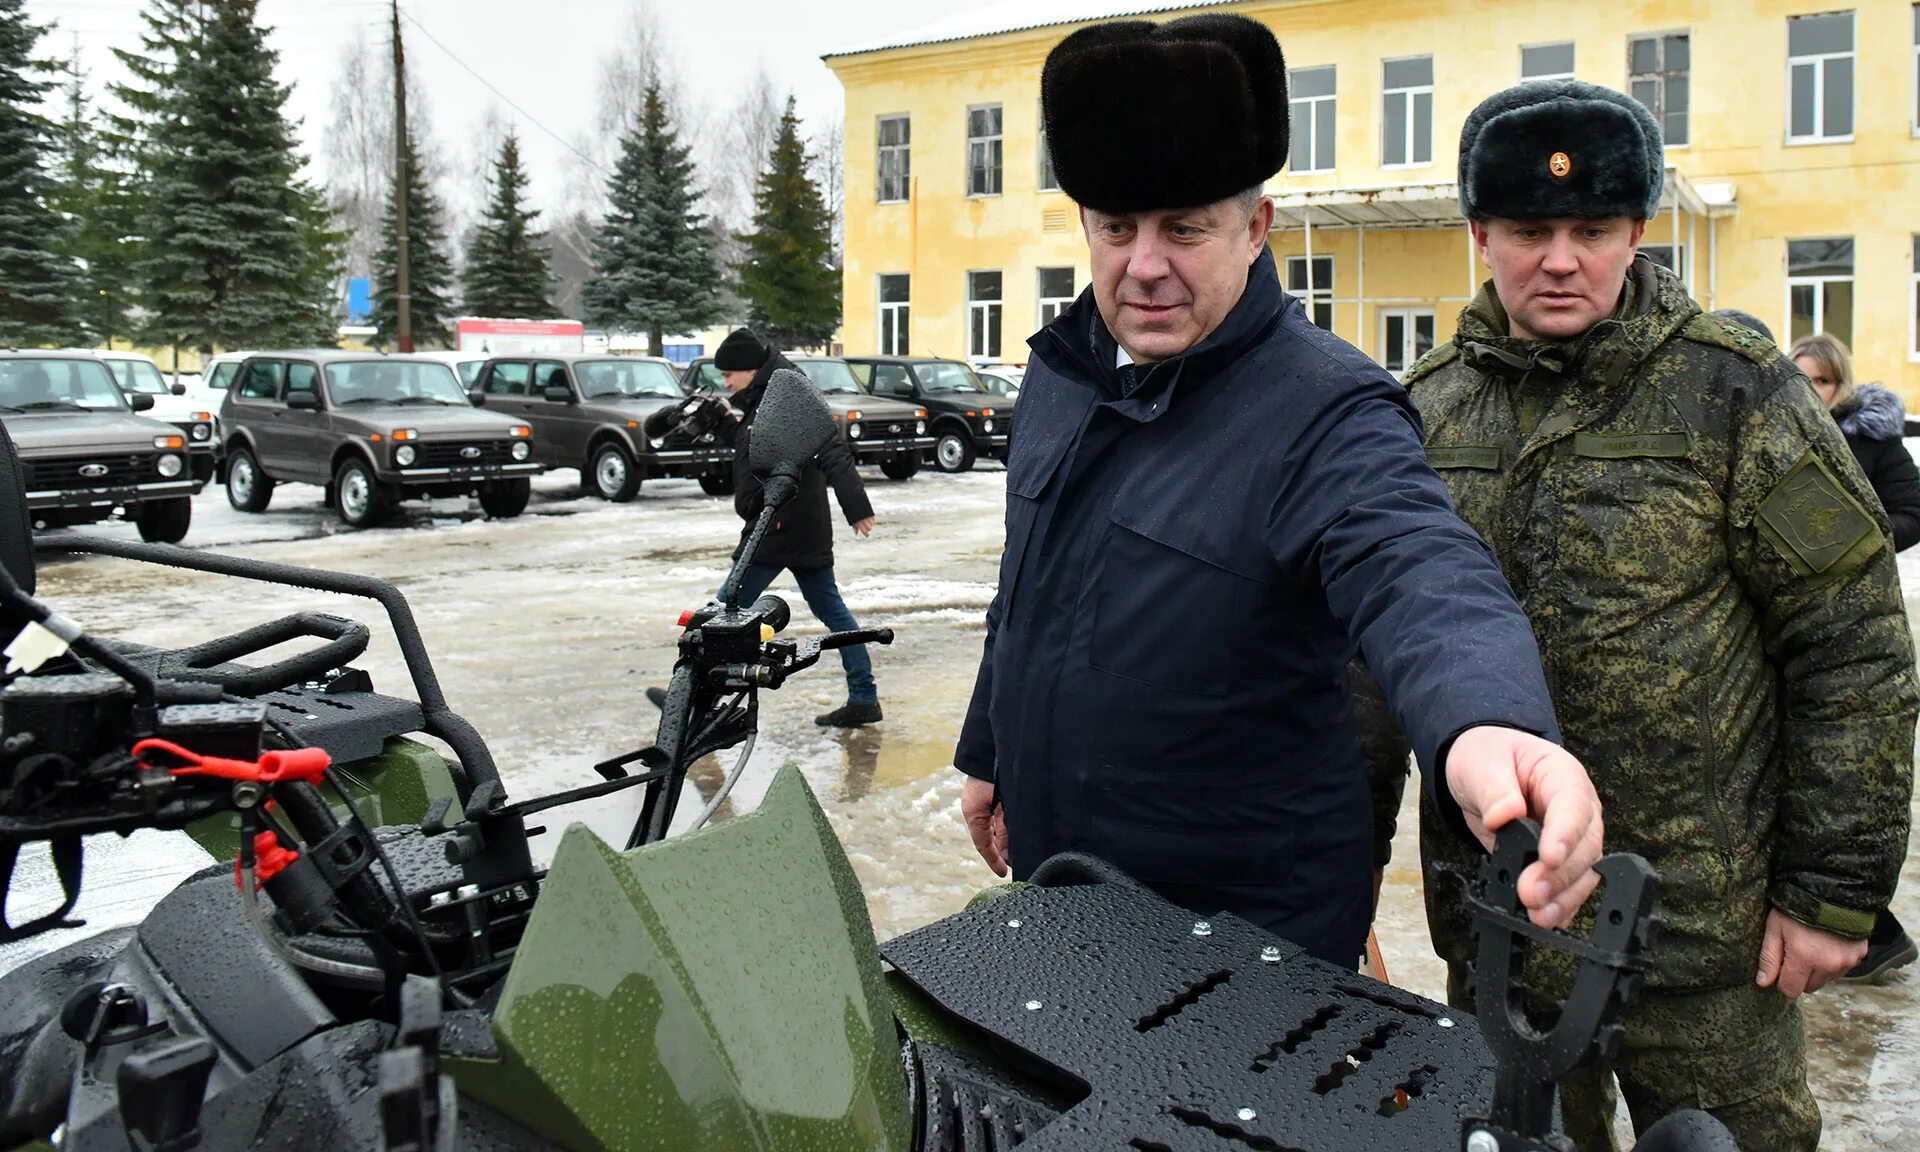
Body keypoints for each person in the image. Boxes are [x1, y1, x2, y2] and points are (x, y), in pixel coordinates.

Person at [952, 13, 1607, 976]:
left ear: (1256, 228)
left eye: (1185, 228)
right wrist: (989, 746)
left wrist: (1487, 723)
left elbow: (1417, 569)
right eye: (1116, 227)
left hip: (1245, 939)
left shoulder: (1323, 407)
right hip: (1067, 896)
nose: (1144, 265)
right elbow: (1031, 587)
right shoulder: (1063, 374)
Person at [1372, 79, 1917, 1151]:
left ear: (1639, 231)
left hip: (1703, 946)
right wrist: (1340, 887)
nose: (1561, 258)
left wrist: (1832, 894)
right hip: (1503, 934)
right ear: (1481, 233)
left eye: (1594, 229)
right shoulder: (1426, 410)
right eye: (1530, 230)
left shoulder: (1733, 392)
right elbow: (1363, 671)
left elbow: (1852, 649)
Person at [1788, 331, 1920, 982]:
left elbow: (1913, 511)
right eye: (1799, 379)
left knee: (1841, 784)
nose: (1809, 391)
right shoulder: (1778, 429)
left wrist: (1856, 542)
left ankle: (1877, 932)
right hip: (1791, 617)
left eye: (1819, 382)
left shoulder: (1871, 442)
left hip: (1853, 613)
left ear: (1839, 385)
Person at [714, 328, 883, 727]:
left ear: (749, 368)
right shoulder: (766, 393)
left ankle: (700, 702)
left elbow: (831, 449)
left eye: (729, 374)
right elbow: (757, 448)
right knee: (834, 613)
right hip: (792, 522)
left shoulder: (789, 392)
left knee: (726, 610)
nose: (726, 382)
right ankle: (864, 696)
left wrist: (856, 507)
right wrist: (725, 426)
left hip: (780, 523)